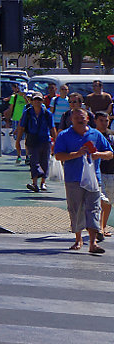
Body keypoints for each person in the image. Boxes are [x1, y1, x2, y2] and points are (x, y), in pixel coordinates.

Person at [54, 108, 114, 253]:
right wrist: (76, 154)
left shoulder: (95, 134)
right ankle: (78, 239)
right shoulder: (64, 135)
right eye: (76, 118)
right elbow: (58, 156)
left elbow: (110, 153)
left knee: (94, 209)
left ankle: (92, 243)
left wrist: (98, 154)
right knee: (76, 209)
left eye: (82, 117)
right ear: (71, 120)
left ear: (88, 119)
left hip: (93, 178)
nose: (80, 120)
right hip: (73, 178)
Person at [16, 91, 57, 193]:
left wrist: (56, 141)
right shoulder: (28, 113)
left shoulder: (47, 114)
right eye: (35, 100)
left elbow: (52, 128)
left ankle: (43, 182)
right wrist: (18, 140)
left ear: (42, 101)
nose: (37, 102)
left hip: (45, 140)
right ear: (32, 101)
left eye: (39, 100)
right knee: (34, 161)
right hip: (32, 140)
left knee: (44, 161)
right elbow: (22, 127)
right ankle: (34, 183)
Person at [95, 111, 114, 237]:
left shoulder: (112, 136)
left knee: (108, 201)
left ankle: (103, 226)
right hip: (97, 172)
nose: (104, 123)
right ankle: (97, 228)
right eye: (101, 120)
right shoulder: (92, 135)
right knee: (99, 200)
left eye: (106, 121)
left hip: (111, 172)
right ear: (95, 121)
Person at [3, 83, 29, 163]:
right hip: (16, 119)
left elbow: (29, 105)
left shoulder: (28, 97)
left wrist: (26, 98)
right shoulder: (14, 97)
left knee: (27, 139)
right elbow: (11, 108)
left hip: (26, 120)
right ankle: (19, 155)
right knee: (17, 138)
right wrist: (8, 119)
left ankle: (27, 156)